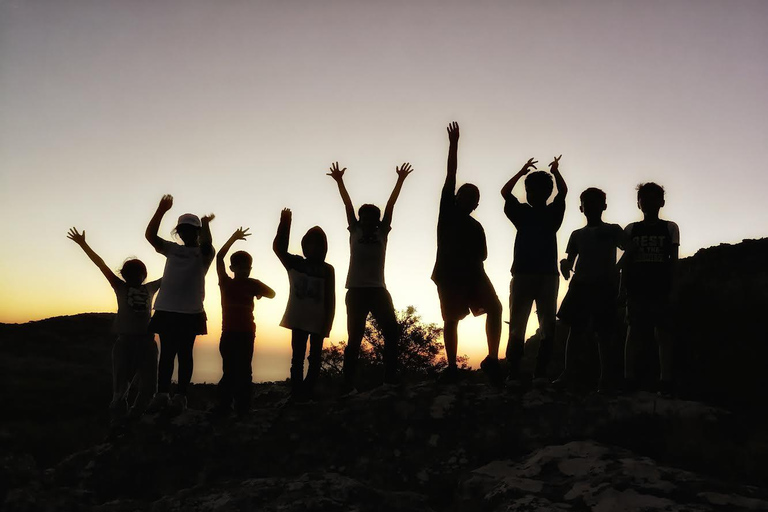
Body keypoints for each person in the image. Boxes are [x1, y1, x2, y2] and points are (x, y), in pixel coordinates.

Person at [327, 160, 412, 393]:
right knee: (354, 338)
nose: (367, 221)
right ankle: (348, 385)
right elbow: (347, 204)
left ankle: (389, 379)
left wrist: (400, 180)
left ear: (376, 221)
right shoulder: (353, 230)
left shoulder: (382, 232)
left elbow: (391, 205)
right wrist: (340, 181)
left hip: (377, 289)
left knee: (392, 332)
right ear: (360, 219)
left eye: (371, 218)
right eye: (363, 217)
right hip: (355, 290)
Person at [431, 122, 503, 385]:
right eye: (464, 193)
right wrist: (453, 144)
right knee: (451, 319)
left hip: (473, 274)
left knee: (495, 308)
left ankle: (492, 359)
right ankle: (451, 366)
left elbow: (483, 255)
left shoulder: (476, 226)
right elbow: (451, 174)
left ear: (476, 204)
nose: (467, 198)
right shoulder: (447, 212)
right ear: (457, 196)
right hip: (449, 275)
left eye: (473, 197)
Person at [67, 227, 160, 421]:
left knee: (149, 387)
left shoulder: (151, 288)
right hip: (125, 343)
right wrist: (84, 245)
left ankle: (132, 420)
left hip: (146, 343)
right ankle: (119, 424)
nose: (135, 276)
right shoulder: (120, 286)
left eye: (138, 272)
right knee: (120, 390)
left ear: (144, 274)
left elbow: (172, 273)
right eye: (131, 272)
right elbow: (101, 265)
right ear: (125, 275)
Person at [552, 188, 629, 393]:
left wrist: (617, 268)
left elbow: (630, 249)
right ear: (581, 208)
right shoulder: (577, 235)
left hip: (604, 286)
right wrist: (565, 264)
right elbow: (570, 259)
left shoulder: (613, 230)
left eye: (596, 202)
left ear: (604, 205)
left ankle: (605, 378)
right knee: (575, 331)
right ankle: (568, 373)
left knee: (604, 333)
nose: (592, 206)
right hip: (580, 285)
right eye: (587, 202)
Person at [145, 194, 215, 413]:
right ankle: (162, 394)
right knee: (167, 354)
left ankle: (181, 396)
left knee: (185, 354)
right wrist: (161, 210)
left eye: (190, 229)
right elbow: (150, 236)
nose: (185, 233)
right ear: (178, 231)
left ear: (197, 232)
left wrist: (205, 226)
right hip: (167, 308)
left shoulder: (205, 253)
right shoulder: (172, 249)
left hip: (190, 311)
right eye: (182, 229)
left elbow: (208, 245)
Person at [501, 155, 567, 386]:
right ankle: (517, 372)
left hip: (542, 276)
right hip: (526, 274)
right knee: (521, 324)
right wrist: (522, 172)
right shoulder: (532, 213)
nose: (533, 193)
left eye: (536, 189)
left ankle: (536, 373)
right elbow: (505, 192)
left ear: (545, 192)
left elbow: (505, 193)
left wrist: (553, 172)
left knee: (544, 324)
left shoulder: (549, 214)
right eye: (531, 189)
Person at [622, 182, 679, 397]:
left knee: (663, 333)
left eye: (653, 198)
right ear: (639, 204)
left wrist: (674, 289)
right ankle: (629, 378)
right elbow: (626, 262)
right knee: (633, 332)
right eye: (644, 198)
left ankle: (665, 379)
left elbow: (673, 260)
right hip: (637, 288)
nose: (648, 202)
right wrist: (622, 288)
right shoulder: (631, 229)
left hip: (661, 287)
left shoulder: (669, 227)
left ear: (661, 202)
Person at [273, 208, 335, 402]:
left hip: (318, 321)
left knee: (315, 359)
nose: (313, 248)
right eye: (309, 244)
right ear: (304, 246)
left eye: (317, 245)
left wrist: (327, 325)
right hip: (298, 320)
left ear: (324, 248)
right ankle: (297, 392)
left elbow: (330, 299)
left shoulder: (327, 270)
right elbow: (279, 248)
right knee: (297, 358)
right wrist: (285, 221)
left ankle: (307, 391)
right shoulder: (295, 263)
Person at [213, 226, 275, 417]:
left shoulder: (252, 283)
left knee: (245, 372)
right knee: (230, 371)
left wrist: (259, 292)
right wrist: (233, 238)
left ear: (250, 268)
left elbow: (272, 293)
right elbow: (219, 258)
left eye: (246, 267)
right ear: (232, 269)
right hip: (229, 333)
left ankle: (243, 408)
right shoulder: (226, 282)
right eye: (240, 267)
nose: (243, 270)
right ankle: (225, 406)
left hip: (247, 333)